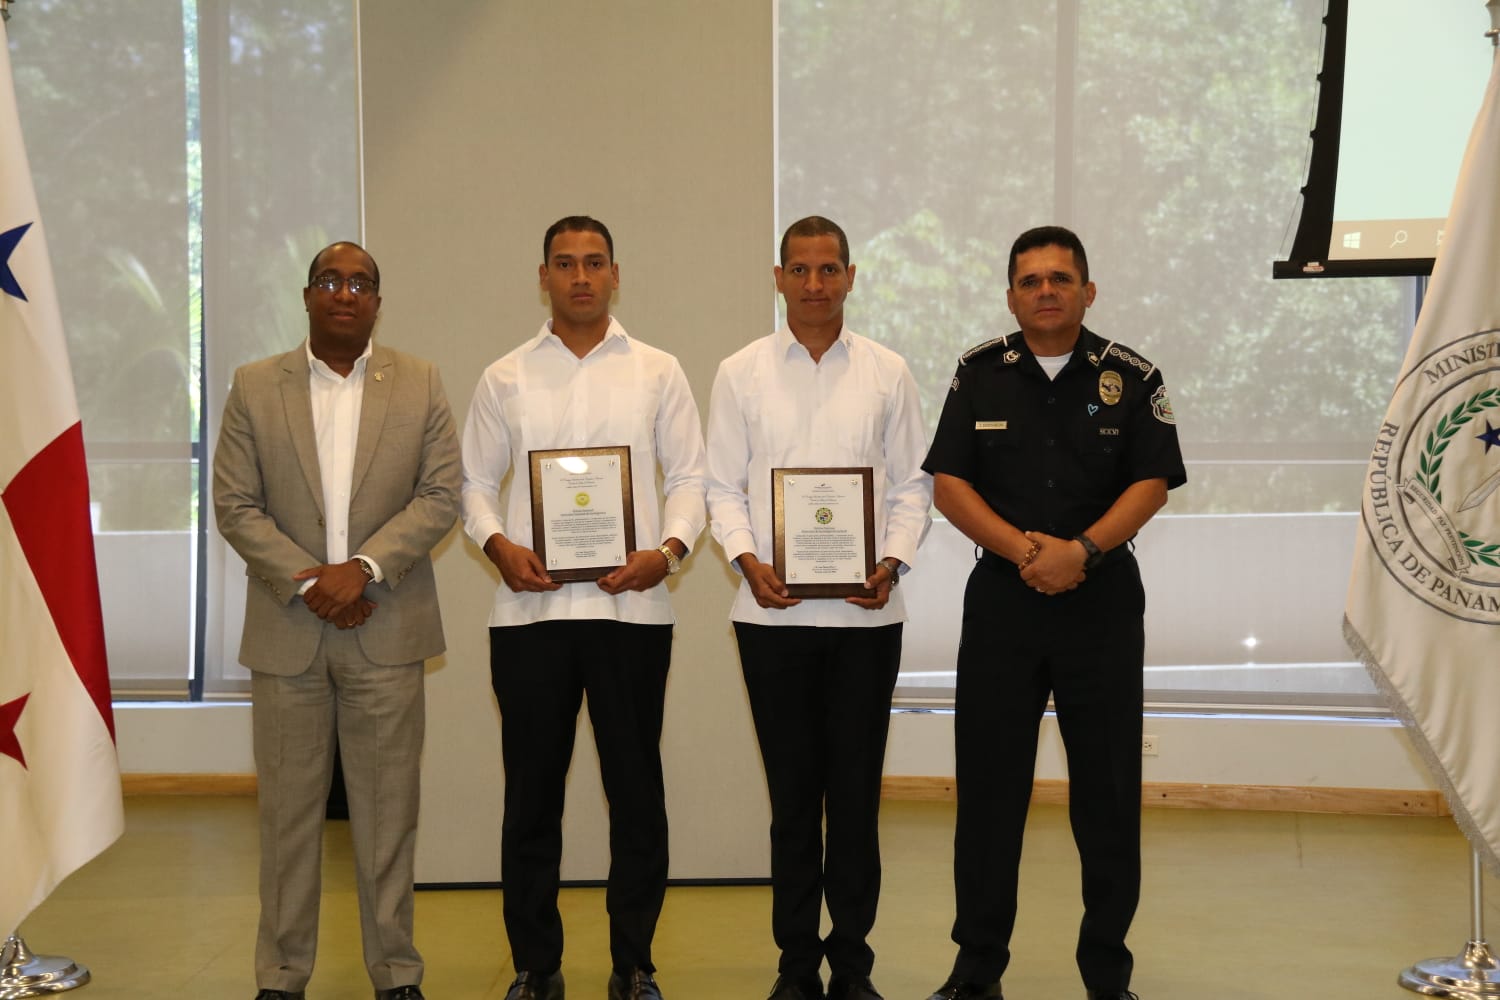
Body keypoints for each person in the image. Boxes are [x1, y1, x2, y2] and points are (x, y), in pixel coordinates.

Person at [918, 226, 1185, 1000]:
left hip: (1101, 605)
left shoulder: (1131, 376)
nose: (1045, 291)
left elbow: (1152, 483)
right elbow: (949, 484)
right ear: (1011, 296)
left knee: (1107, 795)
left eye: (1060, 279)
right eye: (1030, 280)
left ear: (1087, 292)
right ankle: (976, 972)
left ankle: (1107, 974)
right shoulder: (979, 374)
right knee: (988, 794)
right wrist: (1026, 552)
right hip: (1004, 605)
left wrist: (1083, 552)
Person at [460, 216, 707, 1000]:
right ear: (543, 277)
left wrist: (667, 552)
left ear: (615, 274)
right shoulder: (504, 377)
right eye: (564, 263)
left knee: (637, 797)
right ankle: (536, 967)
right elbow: (474, 484)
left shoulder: (659, 371)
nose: (580, 277)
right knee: (531, 800)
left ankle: (634, 964)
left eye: (594, 262)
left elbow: (690, 478)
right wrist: (498, 544)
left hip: (632, 614)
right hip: (529, 617)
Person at [214, 241, 461, 1000]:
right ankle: (281, 976)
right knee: (287, 818)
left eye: (359, 283)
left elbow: (440, 495)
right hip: (287, 632)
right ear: (307, 296)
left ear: (378, 301)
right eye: (329, 280)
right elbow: (235, 504)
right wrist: (313, 582)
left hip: (387, 628)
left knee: (388, 815)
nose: (344, 293)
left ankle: (396, 975)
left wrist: (365, 569)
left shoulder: (419, 381)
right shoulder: (255, 385)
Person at [704, 216, 932, 1000]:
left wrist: (891, 561)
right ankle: (797, 966)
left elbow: (914, 485)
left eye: (828, 269)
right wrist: (748, 561)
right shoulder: (739, 373)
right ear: (778, 278)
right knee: (794, 802)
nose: (813, 284)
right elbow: (721, 487)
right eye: (798, 270)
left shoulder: (887, 372)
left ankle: (854, 966)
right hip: (771, 619)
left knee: (857, 802)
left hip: (868, 621)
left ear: (850, 277)